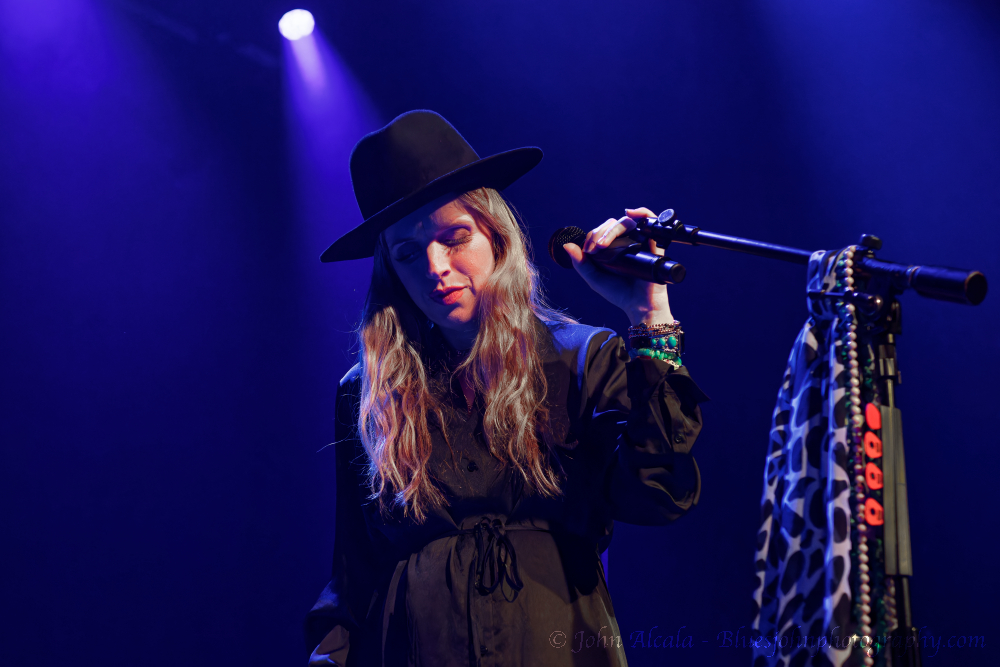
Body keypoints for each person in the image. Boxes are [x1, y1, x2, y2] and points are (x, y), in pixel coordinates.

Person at [306, 110, 707, 666]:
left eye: (454, 237)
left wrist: (652, 318)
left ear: (497, 236)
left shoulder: (581, 358)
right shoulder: (368, 392)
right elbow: (354, 571)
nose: (435, 267)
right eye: (406, 253)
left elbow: (658, 493)